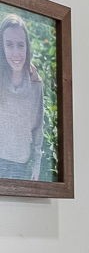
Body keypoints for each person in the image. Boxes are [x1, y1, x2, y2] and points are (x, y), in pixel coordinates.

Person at [0, 13, 48, 181]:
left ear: (27, 47)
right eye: (9, 44)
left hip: (22, 166)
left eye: (20, 45)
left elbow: (38, 128)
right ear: (2, 46)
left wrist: (36, 164)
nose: (15, 53)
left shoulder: (35, 84)